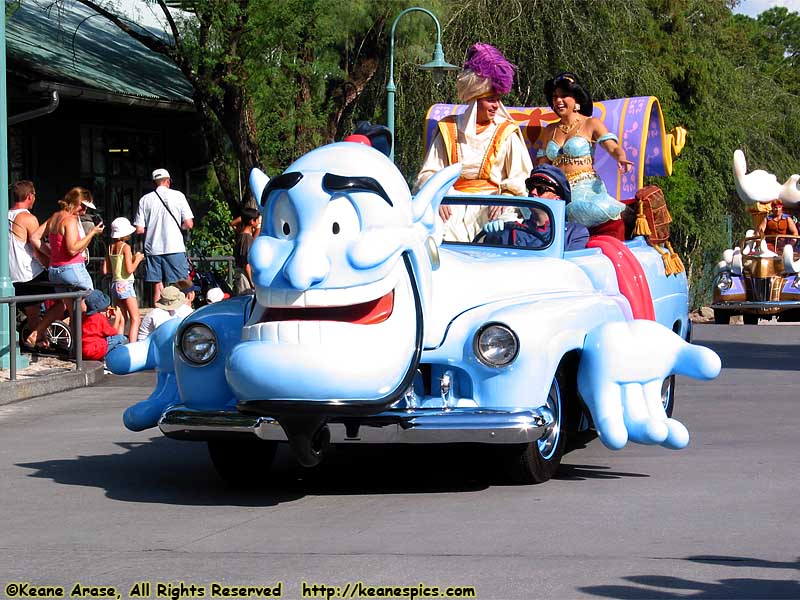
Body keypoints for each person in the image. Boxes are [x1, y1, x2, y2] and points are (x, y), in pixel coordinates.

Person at [413, 43, 532, 242]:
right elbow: (429, 172)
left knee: (504, 229)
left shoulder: (507, 132)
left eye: (498, 99)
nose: (496, 106)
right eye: (490, 99)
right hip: (452, 203)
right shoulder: (448, 129)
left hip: (493, 204)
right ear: (475, 99)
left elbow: (522, 177)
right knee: (428, 230)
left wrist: (507, 198)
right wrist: (438, 196)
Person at [536, 72, 632, 238]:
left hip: (585, 186)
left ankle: (625, 214)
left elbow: (612, 147)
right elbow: (542, 164)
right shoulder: (549, 130)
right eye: (555, 97)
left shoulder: (590, 123)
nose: (558, 101)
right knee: (526, 207)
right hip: (558, 188)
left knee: (578, 209)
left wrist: (621, 157)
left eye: (564, 96)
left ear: (576, 99)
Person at [30, 187, 104, 339]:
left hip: (56, 270)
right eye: (83, 206)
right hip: (72, 268)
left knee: (73, 312)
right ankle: (85, 347)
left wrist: (52, 255)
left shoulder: (55, 217)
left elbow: (34, 238)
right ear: (75, 202)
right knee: (92, 305)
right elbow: (72, 249)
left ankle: (74, 349)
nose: (84, 211)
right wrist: (92, 234)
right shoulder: (70, 219)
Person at [8, 180, 66, 348]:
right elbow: (37, 247)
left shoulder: (5, 215)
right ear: (29, 196)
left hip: (12, 274)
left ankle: (38, 342)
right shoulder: (28, 217)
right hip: (29, 272)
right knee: (65, 301)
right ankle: (37, 333)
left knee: (33, 312)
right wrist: (54, 260)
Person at [483, 164, 590, 251]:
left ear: (558, 198)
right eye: (531, 188)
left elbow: (569, 270)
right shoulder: (510, 229)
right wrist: (494, 236)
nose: (533, 192)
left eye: (541, 189)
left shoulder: (574, 233)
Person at [134, 168, 194, 306]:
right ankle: (184, 317)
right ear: (168, 181)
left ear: (154, 183)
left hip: (153, 248)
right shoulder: (178, 196)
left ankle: (159, 318)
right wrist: (180, 227)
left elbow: (139, 229)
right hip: (174, 247)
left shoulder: (145, 200)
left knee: (158, 286)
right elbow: (189, 224)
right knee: (182, 285)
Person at [103, 217, 144, 342]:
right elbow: (130, 269)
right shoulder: (125, 247)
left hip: (115, 284)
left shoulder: (110, 247)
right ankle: (132, 346)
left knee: (121, 317)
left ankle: (117, 343)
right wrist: (137, 259)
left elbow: (105, 270)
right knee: (135, 318)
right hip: (125, 284)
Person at [81, 289, 127, 361]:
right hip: (96, 350)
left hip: (85, 351)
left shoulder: (85, 317)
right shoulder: (100, 318)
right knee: (121, 338)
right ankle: (111, 360)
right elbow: (113, 332)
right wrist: (117, 318)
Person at [233, 207, 259, 294]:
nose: (258, 222)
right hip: (244, 278)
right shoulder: (247, 239)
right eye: (257, 220)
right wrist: (251, 282)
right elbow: (246, 264)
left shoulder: (241, 235)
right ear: (252, 221)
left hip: (241, 275)